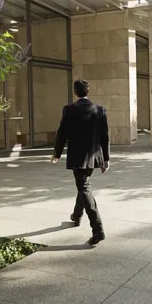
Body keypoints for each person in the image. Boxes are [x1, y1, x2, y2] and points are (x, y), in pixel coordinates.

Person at [51, 79, 110, 246]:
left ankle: (98, 230)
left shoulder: (69, 109)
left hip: (78, 156)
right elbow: (105, 136)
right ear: (88, 91)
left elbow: (62, 133)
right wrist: (106, 159)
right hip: (94, 156)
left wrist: (57, 153)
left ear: (75, 92)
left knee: (84, 187)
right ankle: (76, 216)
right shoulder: (99, 109)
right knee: (83, 184)